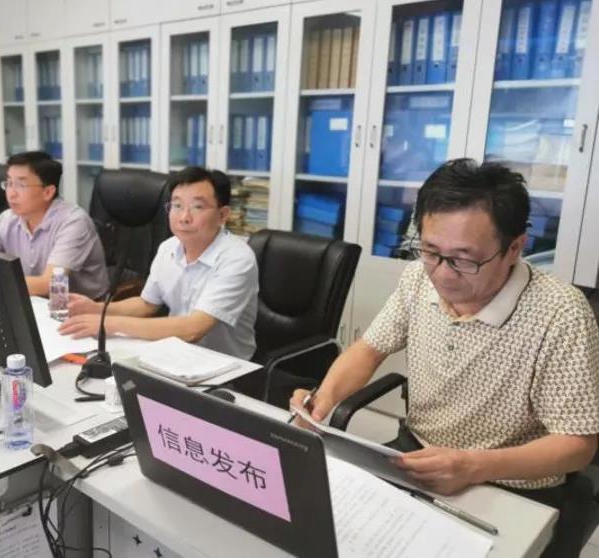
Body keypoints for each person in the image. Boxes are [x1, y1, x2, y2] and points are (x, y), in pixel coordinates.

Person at [291, 159, 599, 557]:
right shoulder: (417, 279)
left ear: (514, 248)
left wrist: (473, 465)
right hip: (416, 454)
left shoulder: (561, 314)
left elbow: (577, 444)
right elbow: (369, 349)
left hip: (513, 482)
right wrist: (320, 403)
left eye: (464, 259)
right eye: (430, 251)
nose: (442, 274)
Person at [59, 166, 259, 360]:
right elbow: (146, 304)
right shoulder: (168, 247)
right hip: (175, 353)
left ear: (222, 215)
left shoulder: (237, 258)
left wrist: (108, 323)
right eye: (177, 206)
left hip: (226, 366)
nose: (184, 217)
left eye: (197, 207)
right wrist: (97, 309)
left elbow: (194, 329)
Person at [0, 151, 108, 299]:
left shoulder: (74, 222)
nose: (11, 194)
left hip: (82, 306)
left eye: (21, 185)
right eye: (9, 183)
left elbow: (50, 284)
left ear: (48, 192)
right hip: (32, 299)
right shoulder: (7, 219)